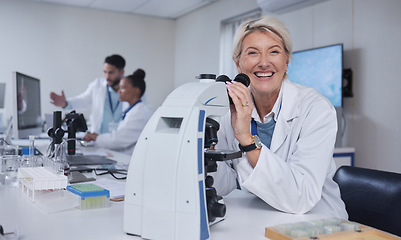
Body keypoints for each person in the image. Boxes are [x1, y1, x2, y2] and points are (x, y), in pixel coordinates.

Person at [213, 16, 348, 219]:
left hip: (316, 222)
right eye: (252, 53)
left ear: (287, 61)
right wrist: (206, 149)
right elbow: (224, 185)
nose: (264, 63)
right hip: (258, 217)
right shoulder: (230, 112)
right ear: (238, 63)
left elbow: (301, 196)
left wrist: (247, 140)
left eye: (274, 51)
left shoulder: (315, 108)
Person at [50, 54, 127, 134]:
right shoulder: (97, 85)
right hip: (99, 139)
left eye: (111, 72)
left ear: (121, 72)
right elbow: (83, 100)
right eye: (105, 72)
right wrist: (65, 103)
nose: (107, 76)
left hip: (123, 141)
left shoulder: (132, 88)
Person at [82, 69, 153, 155]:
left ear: (136, 91)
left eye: (122, 88)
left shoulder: (140, 113)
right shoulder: (132, 110)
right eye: (119, 88)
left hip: (130, 160)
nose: (119, 91)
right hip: (124, 157)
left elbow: (119, 140)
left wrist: (96, 138)